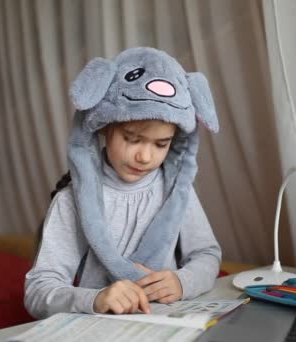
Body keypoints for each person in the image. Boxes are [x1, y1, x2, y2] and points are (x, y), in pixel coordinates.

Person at [24, 47, 222, 319]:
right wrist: (94, 299)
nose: (144, 156)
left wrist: (183, 281)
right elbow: (38, 290)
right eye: (131, 138)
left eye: (161, 144)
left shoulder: (177, 191)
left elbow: (207, 254)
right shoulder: (70, 201)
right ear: (105, 126)